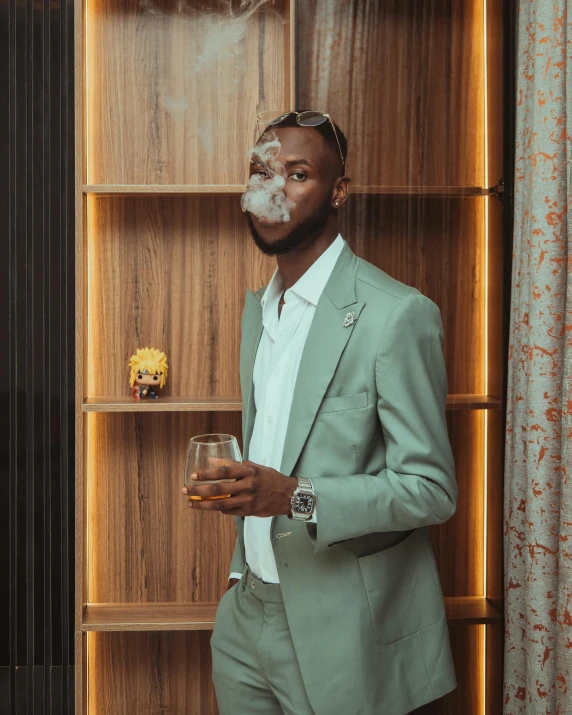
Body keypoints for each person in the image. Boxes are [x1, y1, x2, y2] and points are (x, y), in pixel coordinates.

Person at [182, 111, 458, 715]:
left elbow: (432, 491)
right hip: (244, 624)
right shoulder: (260, 312)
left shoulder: (396, 316)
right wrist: (239, 582)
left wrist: (292, 498)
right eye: (261, 171)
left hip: (342, 636)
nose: (272, 188)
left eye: (297, 173)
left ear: (338, 191)